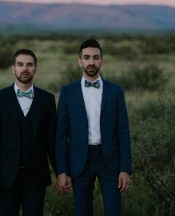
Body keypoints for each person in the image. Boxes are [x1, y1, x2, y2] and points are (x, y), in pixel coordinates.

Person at [56, 38, 132, 216]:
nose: (91, 62)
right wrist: (62, 170)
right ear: (80, 61)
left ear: (102, 61)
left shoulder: (116, 91)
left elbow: (123, 131)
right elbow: (61, 134)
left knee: (114, 211)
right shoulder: (68, 92)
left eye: (96, 57)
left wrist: (125, 168)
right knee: (82, 211)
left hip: (110, 160)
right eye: (87, 57)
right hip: (80, 160)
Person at [0, 49, 57, 216]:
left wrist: (61, 172)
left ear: (35, 68)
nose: (25, 68)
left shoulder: (47, 99)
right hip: (6, 178)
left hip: (36, 178)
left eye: (29, 65)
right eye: (20, 64)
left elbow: (52, 141)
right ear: (13, 68)